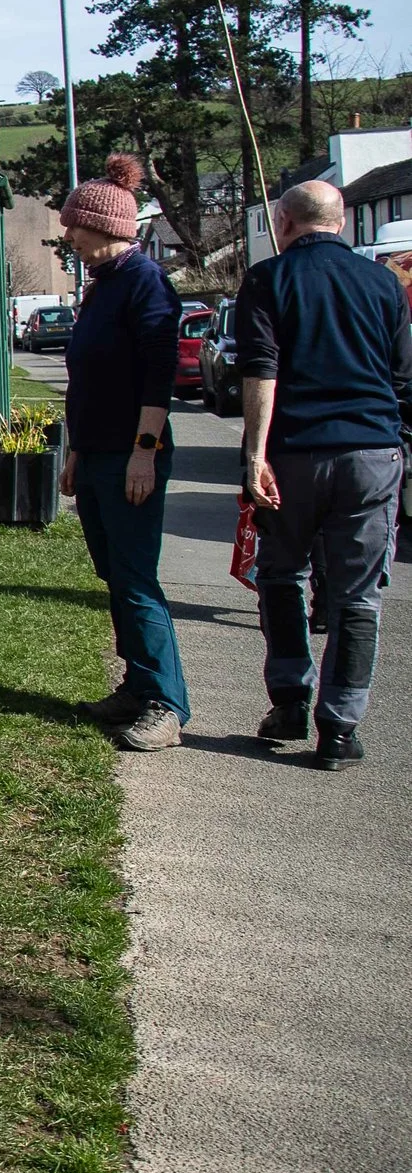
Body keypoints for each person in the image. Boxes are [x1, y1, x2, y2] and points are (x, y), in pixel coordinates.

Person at [237, 178, 412, 769]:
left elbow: (261, 369)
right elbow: (401, 376)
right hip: (371, 452)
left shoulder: (267, 279)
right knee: (358, 595)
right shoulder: (385, 283)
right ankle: (339, 727)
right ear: (340, 222)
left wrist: (254, 455)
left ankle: (289, 700)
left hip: (293, 454)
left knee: (282, 574)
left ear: (283, 222)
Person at [58, 154, 189, 751]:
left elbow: (157, 376)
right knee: (115, 577)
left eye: (74, 227)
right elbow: (89, 379)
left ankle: (165, 703)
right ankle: (137, 685)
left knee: (137, 580)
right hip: (98, 455)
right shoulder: (101, 287)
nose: (69, 237)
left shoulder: (145, 282)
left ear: (105, 227)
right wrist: (77, 453)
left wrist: (144, 451)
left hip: (132, 456)